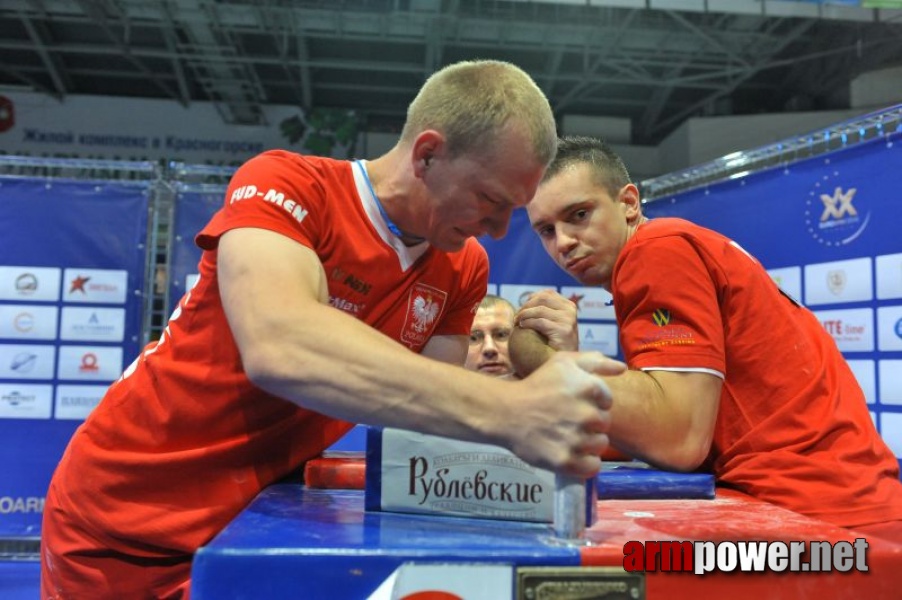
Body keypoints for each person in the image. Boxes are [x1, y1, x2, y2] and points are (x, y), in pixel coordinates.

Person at [40, 63, 626, 599]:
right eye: (490, 201)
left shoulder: (463, 264)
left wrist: (543, 369)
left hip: (252, 526)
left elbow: (430, 405)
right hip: (122, 520)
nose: (499, 231)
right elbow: (281, 348)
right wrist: (515, 410)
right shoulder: (288, 185)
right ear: (427, 155)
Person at [522, 135, 902, 541]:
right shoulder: (675, 248)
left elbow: (680, 440)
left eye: (579, 214)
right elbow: (667, 431)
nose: (563, 242)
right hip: (841, 506)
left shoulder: (656, 249)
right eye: (546, 230)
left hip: (824, 516)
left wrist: (558, 369)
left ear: (629, 203)